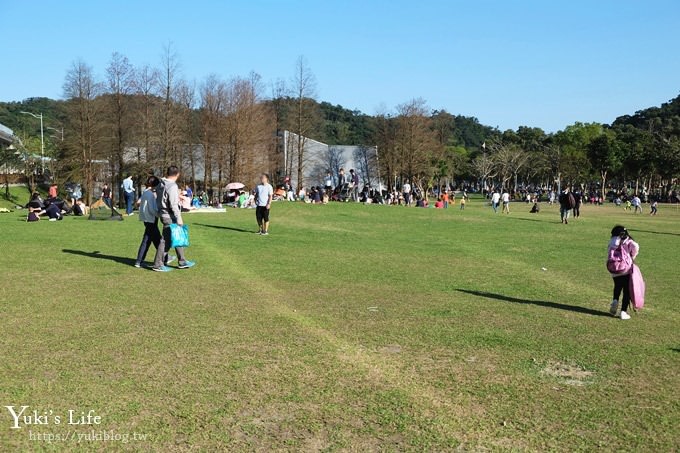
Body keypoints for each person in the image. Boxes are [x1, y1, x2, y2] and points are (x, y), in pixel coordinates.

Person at [152, 166, 195, 272]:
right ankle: (158, 264)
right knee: (165, 241)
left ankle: (182, 261)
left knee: (177, 236)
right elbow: (174, 204)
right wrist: (179, 218)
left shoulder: (160, 184)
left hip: (163, 214)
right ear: (177, 174)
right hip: (169, 216)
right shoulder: (172, 186)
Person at [607, 225, 640, 320]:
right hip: (626, 269)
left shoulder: (612, 241)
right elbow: (635, 247)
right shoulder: (628, 241)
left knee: (617, 286)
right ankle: (623, 311)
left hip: (614, 269)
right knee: (627, 290)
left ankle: (615, 300)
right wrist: (632, 256)